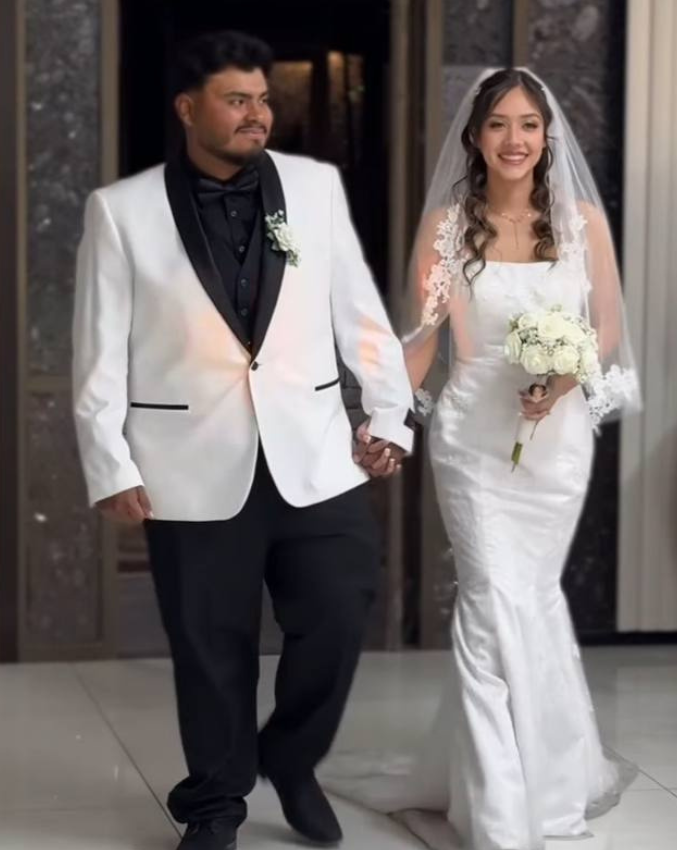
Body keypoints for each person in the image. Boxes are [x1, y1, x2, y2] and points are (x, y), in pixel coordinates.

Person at [72, 30, 413, 850]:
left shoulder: (316, 187)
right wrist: (109, 462)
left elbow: (362, 319)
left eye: (263, 99)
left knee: (337, 614)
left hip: (317, 453)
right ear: (189, 109)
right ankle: (217, 804)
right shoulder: (121, 211)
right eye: (237, 99)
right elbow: (97, 353)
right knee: (208, 644)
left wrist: (389, 416)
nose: (258, 114)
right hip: (189, 464)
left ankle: (290, 760)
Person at [321, 68, 640, 850]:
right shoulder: (445, 227)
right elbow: (424, 345)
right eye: (498, 124)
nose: (515, 140)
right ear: (474, 135)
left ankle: (545, 779)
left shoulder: (583, 222)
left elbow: (603, 331)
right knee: (491, 598)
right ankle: (500, 812)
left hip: (555, 441)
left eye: (529, 124)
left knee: (528, 600)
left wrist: (564, 376)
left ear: (548, 136)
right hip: (471, 440)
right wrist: (386, 421)